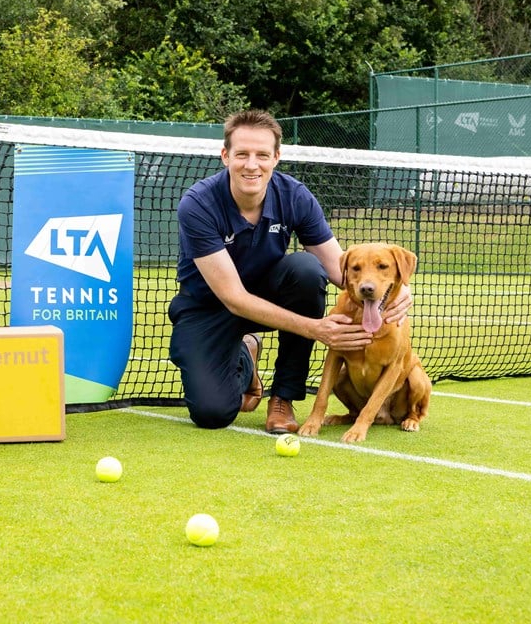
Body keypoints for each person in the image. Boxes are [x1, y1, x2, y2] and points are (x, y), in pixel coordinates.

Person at [168, 109, 410, 433]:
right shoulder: (198, 204)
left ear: (276, 157)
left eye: (262, 155)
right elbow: (234, 298)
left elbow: (340, 272)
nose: (252, 164)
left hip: (271, 292)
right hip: (210, 306)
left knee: (308, 271)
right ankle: (245, 354)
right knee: (212, 413)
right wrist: (315, 328)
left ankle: (283, 397)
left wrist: (397, 288)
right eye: (242, 154)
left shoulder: (295, 196)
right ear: (225, 156)